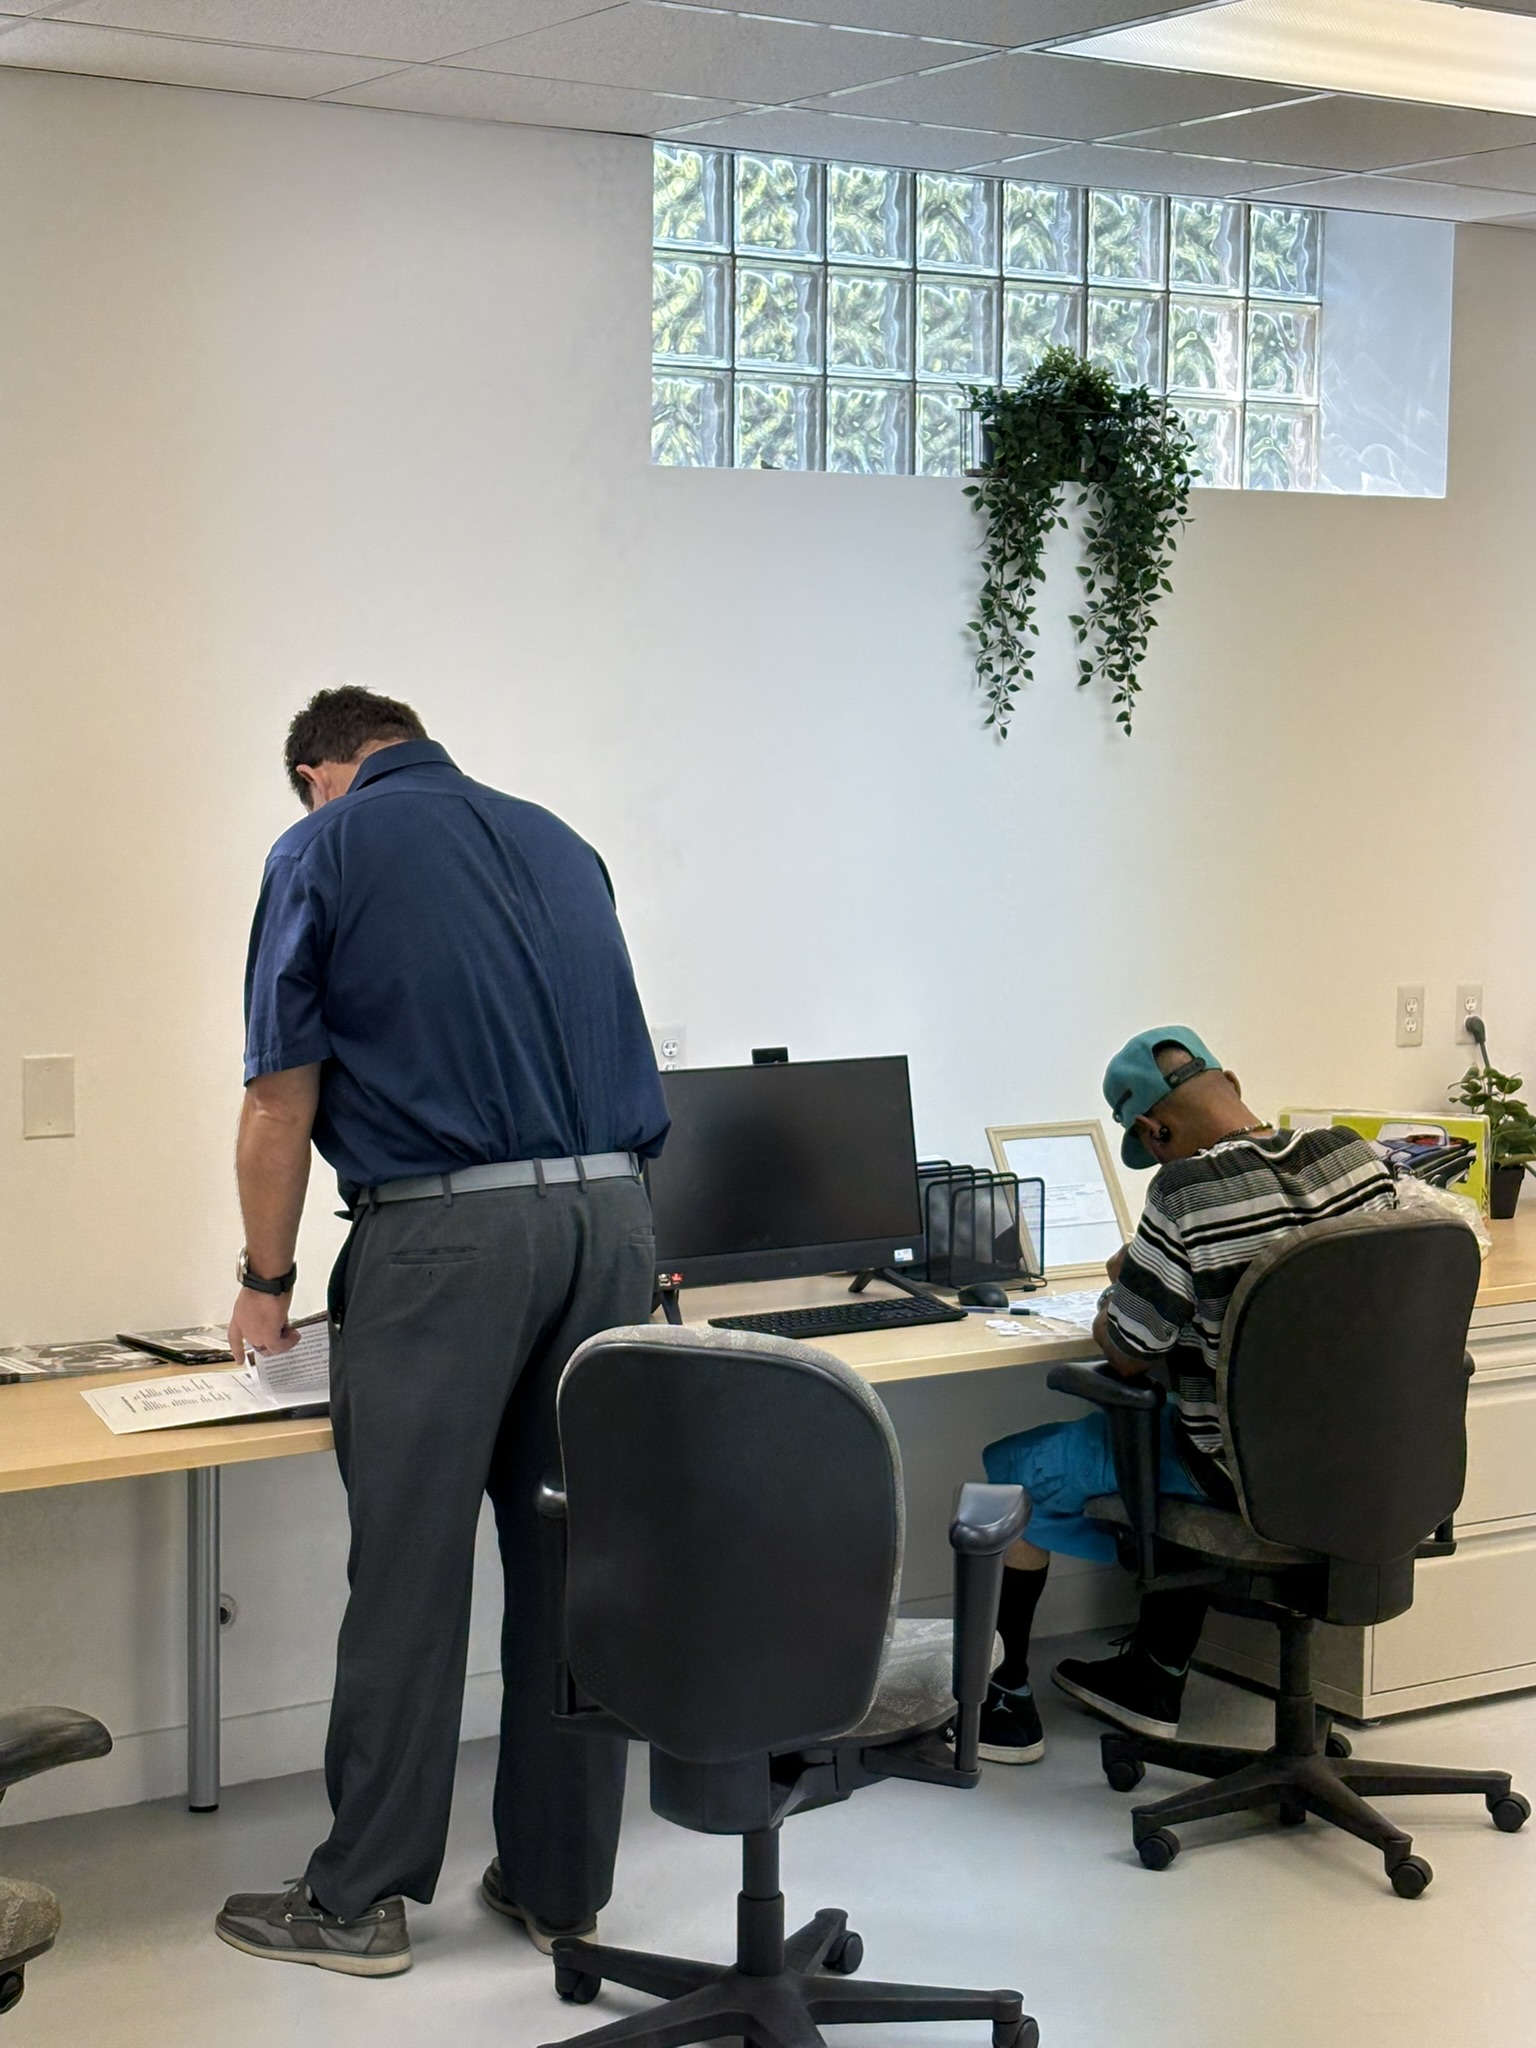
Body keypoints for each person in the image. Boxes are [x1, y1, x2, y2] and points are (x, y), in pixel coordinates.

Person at [214, 687, 669, 1977]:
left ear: (319, 771)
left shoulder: (324, 845)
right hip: (614, 1225)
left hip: (446, 1239)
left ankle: (354, 1900)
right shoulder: (558, 837)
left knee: (411, 1570)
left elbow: (277, 1099)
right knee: (578, 1561)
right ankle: (561, 1882)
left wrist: (265, 1276)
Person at [976, 1028, 1396, 1764]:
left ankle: (1005, 1704)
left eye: (1153, 1148)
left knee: (1015, 1469)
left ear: (1153, 1129)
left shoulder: (1183, 1195)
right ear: (1229, 1079)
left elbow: (1130, 1354)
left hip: (1241, 1481)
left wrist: (1122, 1280)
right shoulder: (1353, 1159)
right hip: (1367, 1468)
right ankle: (1153, 1674)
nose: (1158, 1161)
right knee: (1180, 1421)